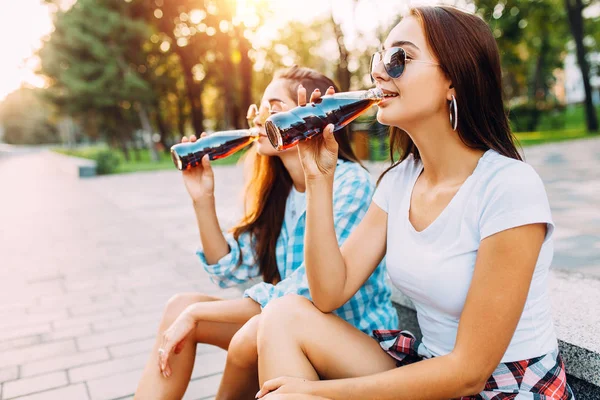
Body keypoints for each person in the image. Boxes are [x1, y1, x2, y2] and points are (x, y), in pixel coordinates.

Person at [254, 6, 574, 400]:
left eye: (399, 58)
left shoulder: (508, 187)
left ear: (453, 80)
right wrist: (320, 180)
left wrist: (321, 393)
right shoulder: (401, 180)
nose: (378, 72)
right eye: (379, 58)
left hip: (505, 387)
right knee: (282, 316)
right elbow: (328, 293)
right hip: (431, 369)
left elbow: (469, 373)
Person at [134, 66, 398, 400]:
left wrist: (198, 313)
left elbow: (304, 293)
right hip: (286, 324)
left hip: (351, 342)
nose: (259, 119)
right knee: (179, 306)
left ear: (309, 117)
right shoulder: (281, 191)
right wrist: (203, 200)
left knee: (239, 329)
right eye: (257, 110)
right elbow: (231, 268)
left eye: (272, 109)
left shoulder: (349, 184)